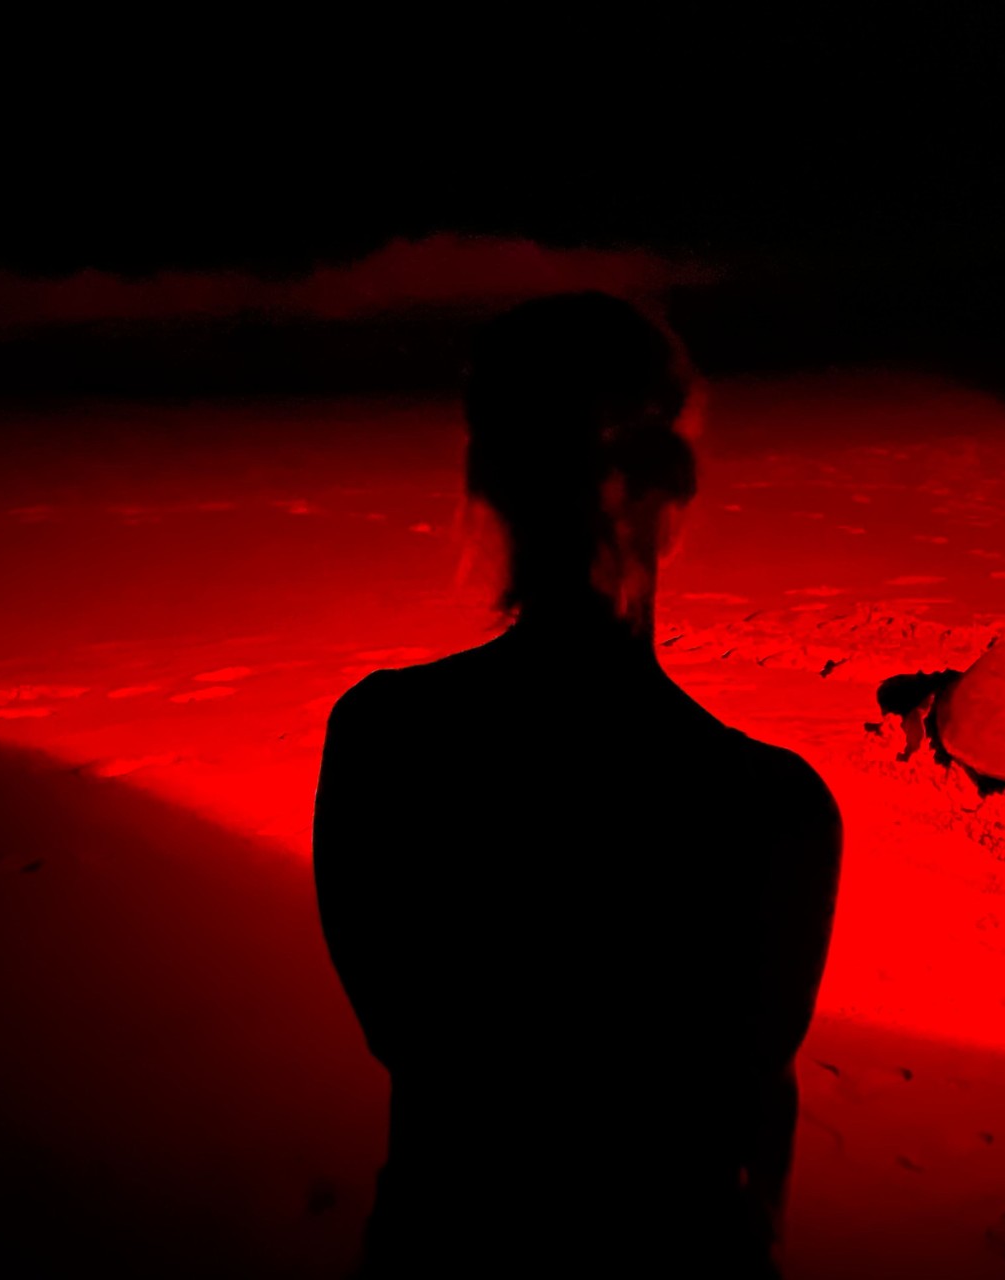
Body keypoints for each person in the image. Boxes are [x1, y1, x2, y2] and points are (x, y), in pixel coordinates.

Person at [312, 292, 844, 1277]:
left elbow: (402, 1033)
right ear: (674, 503)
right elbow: (746, 1080)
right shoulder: (778, 806)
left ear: (486, 481)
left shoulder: (382, 736)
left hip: (447, 1235)